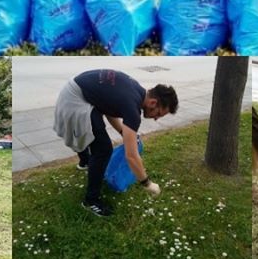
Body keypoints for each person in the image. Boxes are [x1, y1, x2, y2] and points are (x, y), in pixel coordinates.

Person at [52, 68, 177, 217]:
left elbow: (109, 108)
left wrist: (124, 133)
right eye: (158, 113)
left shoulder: (136, 90)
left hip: (74, 90)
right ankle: (90, 201)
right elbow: (131, 156)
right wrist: (147, 183)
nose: (156, 118)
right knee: (103, 150)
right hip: (74, 100)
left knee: (96, 134)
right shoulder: (132, 107)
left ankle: (85, 162)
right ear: (153, 102)